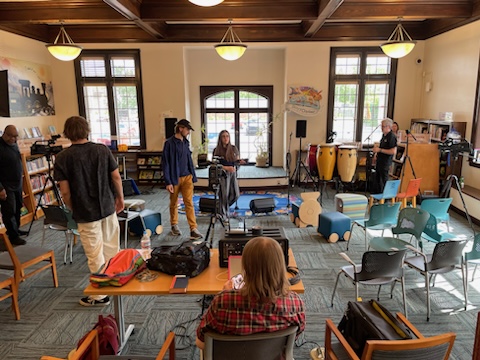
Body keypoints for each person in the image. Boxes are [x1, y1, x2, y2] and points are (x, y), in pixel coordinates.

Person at [54, 116, 124, 306]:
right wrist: (120, 198)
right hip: (107, 206)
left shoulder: (62, 158)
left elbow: (65, 191)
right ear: (87, 129)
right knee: (111, 247)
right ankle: (114, 281)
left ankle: (100, 295)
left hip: (85, 212)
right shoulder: (102, 150)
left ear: (67, 133)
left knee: (94, 253)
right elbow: (116, 177)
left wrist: (72, 208)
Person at [195, 236, 306, 351]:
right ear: (280, 266)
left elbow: (200, 342)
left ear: (246, 267)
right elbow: (293, 339)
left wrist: (225, 294)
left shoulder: (223, 302)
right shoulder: (295, 303)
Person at [162, 119, 203, 240]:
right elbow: (166, 163)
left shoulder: (185, 142)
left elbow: (189, 159)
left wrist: (193, 175)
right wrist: (168, 181)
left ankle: (193, 229)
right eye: (187, 129)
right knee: (174, 203)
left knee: (189, 203)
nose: (189, 132)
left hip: (187, 177)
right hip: (175, 178)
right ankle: (174, 225)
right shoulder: (169, 143)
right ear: (181, 129)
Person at [0, 125, 27, 245]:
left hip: (17, 183)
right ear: (5, 134)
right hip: (5, 185)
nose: (14, 139)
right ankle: (13, 236)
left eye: (16, 137)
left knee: (18, 208)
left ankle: (16, 229)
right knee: (9, 210)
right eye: (11, 137)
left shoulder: (14, 144)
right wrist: (0, 188)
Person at [212, 130, 244, 222]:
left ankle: (221, 208)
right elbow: (215, 165)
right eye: (223, 136)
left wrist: (239, 163)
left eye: (227, 136)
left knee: (236, 194)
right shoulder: (216, 150)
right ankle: (224, 214)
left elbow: (236, 161)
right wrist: (226, 168)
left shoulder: (234, 148)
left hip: (232, 173)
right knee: (224, 195)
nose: (226, 138)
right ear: (220, 138)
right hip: (222, 174)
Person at [372, 118, 397, 194]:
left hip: (385, 162)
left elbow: (393, 151)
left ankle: (385, 198)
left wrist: (380, 150)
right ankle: (378, 196)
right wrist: (376, 154)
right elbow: (381, 147)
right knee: (378, 180)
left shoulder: (392, 136)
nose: (381, 128)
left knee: (384, 180)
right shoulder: (384, 135)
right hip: (380, 161)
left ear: (388, 127)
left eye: (383, 126)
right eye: (381, 126)